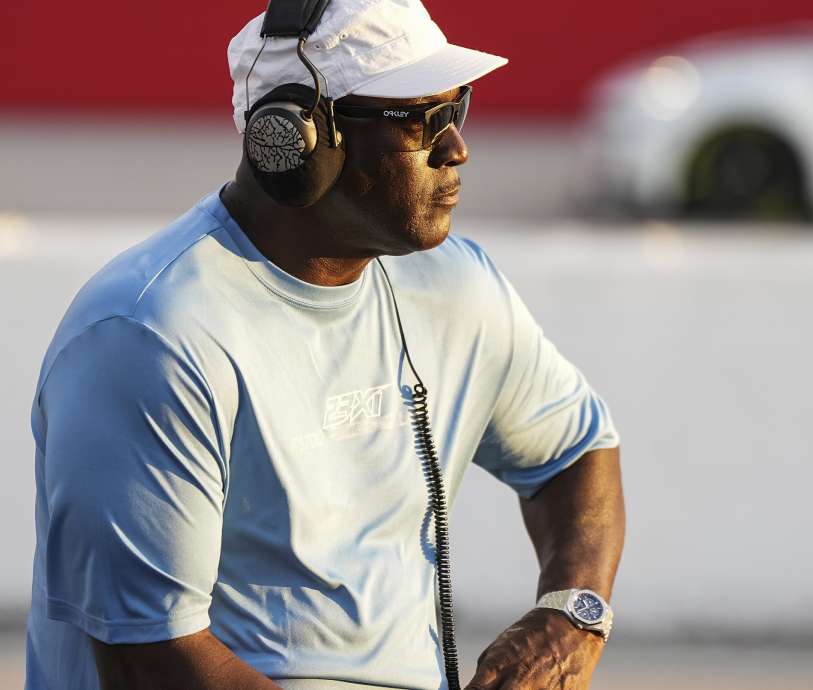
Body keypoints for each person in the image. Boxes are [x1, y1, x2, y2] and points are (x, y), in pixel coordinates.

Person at [23, 1, 625, 688]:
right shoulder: (149, 335)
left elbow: (573, 451)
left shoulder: (455, 286)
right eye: (419, 120)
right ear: (294, 143)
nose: (455, 148)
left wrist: (570, 616)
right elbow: (151, 661)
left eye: (456, 110)